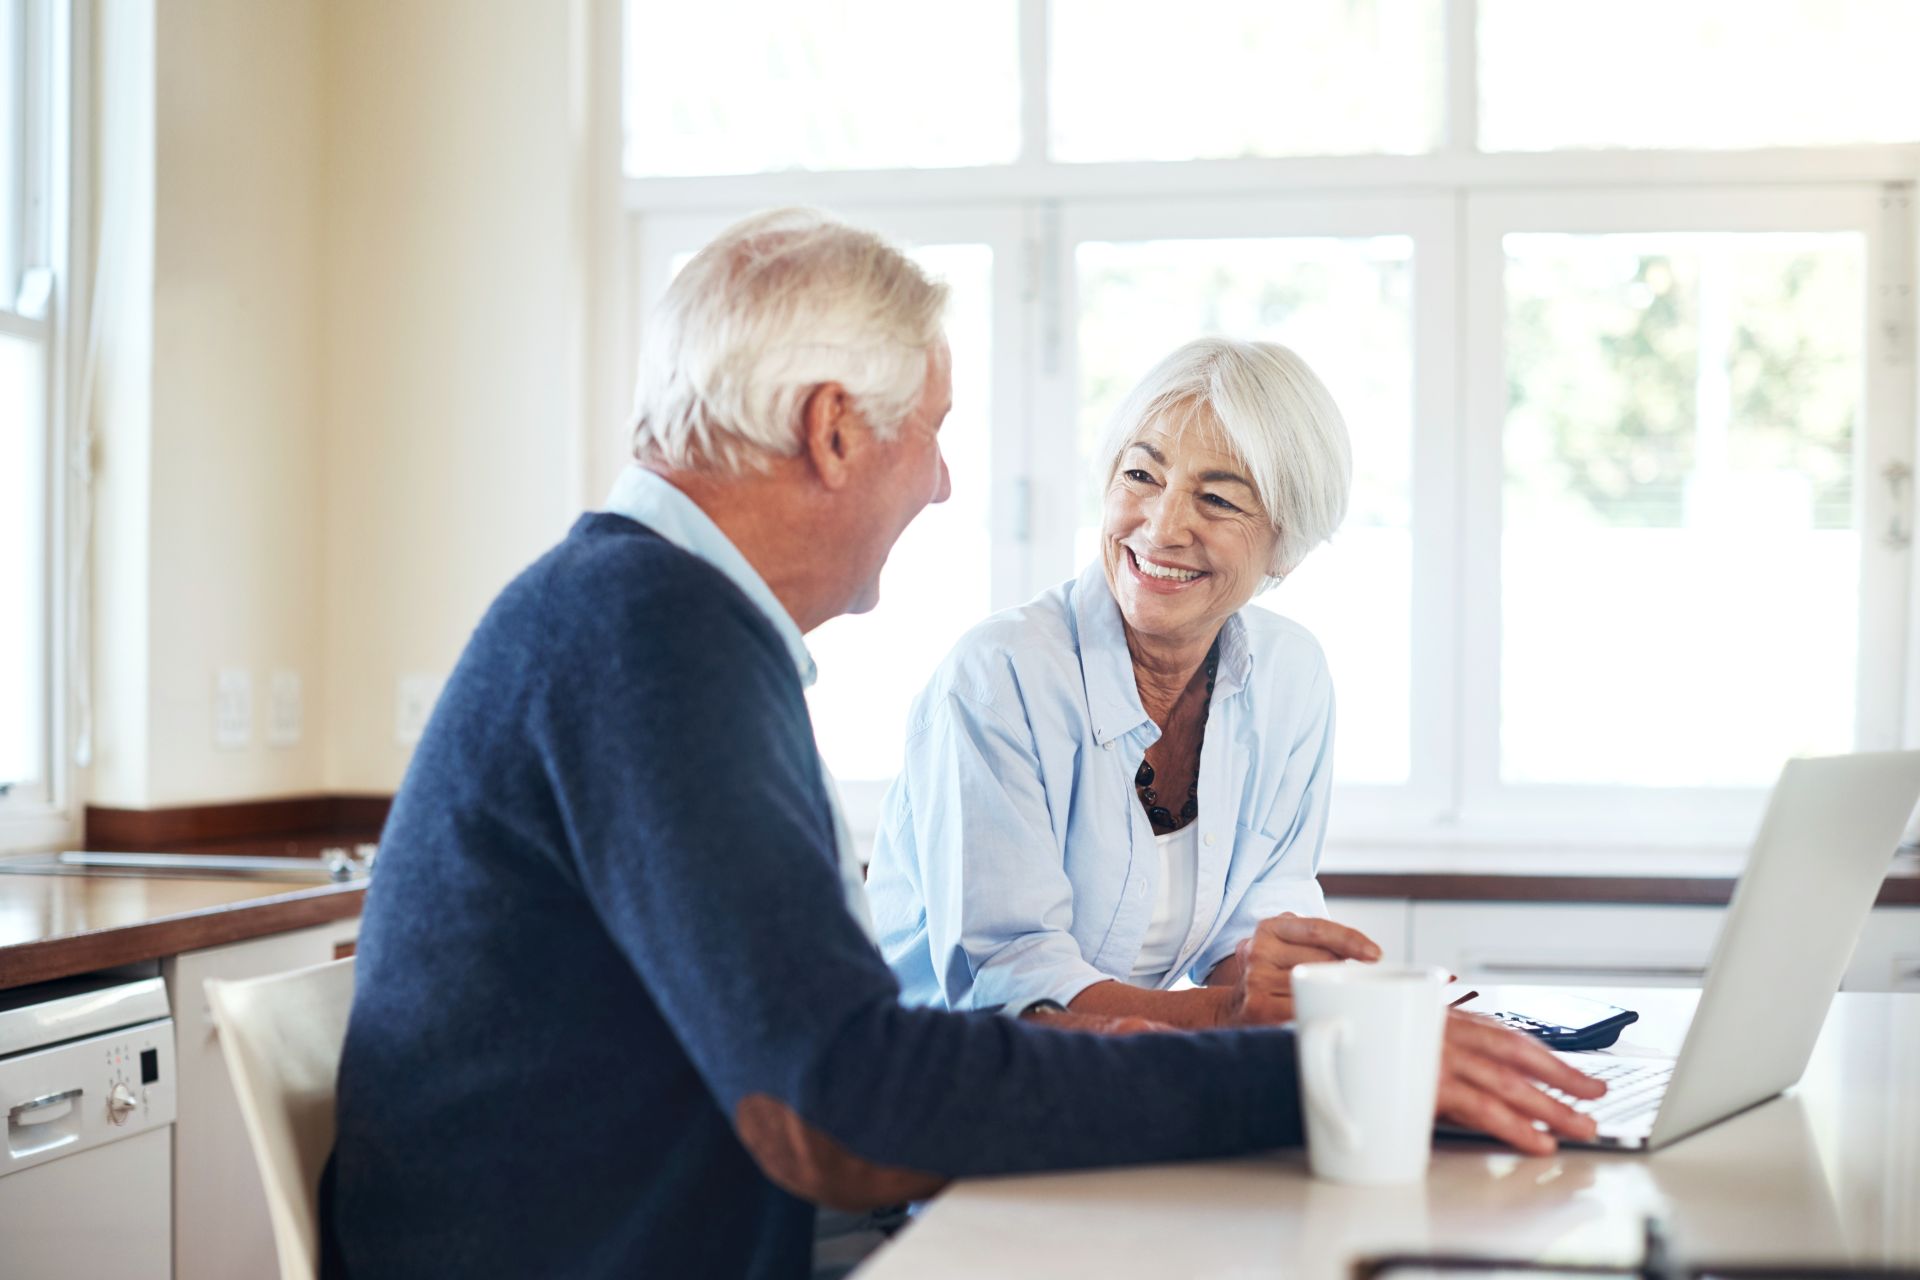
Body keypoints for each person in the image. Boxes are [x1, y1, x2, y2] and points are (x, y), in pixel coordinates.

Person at [320, 208, 1603, 1280]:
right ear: (832, 429)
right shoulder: (650, 643)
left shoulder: (641, 614)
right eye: (928, 428)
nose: (940, 482)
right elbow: (846, 1103)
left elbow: (835, 1063)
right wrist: (1317, 1069)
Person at [867, 336, 1377, 1029]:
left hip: (1127, 1072)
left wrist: (1305, 994)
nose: (1162, 527)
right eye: (1141, 476)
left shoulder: (1292, 677)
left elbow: (1255, 937)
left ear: (1285, 543)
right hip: (951, 1088)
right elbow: (1017, 987)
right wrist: (1233, 1013)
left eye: (1219, 500)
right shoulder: (999, 676)